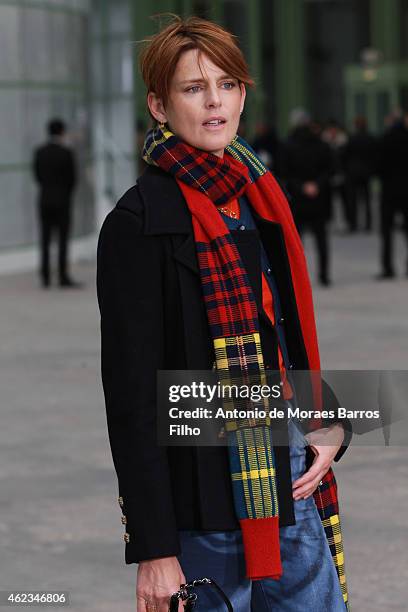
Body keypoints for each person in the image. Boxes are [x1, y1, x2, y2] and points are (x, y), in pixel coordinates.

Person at [96, 16, 351, 612]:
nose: (215, 101)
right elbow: (130, 399)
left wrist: (326, 423)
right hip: (203, 507)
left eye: (229, 83)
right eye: (193, 88)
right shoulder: (138, 225)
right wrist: (154, 549)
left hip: (291, 484)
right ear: (159, 106)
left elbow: (280, 337)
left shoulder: (261, 200)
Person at [282, 109, 333, 286]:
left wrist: (300, 186)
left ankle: (297, 277)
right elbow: (330, 170)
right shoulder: (321, 144)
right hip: (319, 199)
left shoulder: (288, 145)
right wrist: (316, 184)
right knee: (321, 239)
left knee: (296, 242)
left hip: (297, 200)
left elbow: (284, 173)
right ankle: (324, 275)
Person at [33, 118, 81, 288]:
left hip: (44, 200)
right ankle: (62, 276)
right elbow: (73, 179)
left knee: (45, 239)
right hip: (62, 201)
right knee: (62, 239)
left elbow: (37, 176)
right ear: (61, 132)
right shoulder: (66, 153)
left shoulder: (39, 152)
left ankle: (45, 277)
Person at [377, 110, 408, 279]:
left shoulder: (385, 138)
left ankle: (388, 267)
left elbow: (379, 165)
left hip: (389, 190)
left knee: (386, 231)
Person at [343, 116, 377, 233]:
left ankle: (353, 224)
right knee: (367, 199)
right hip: (366, 172)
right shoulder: (371, 138)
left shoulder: (351, 138)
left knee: (353, 200)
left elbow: (345, 155)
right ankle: (368, 224)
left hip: (352, 172)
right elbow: (374, 155)